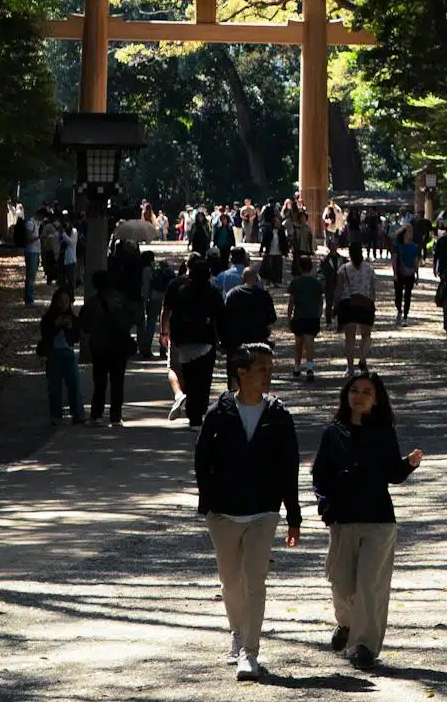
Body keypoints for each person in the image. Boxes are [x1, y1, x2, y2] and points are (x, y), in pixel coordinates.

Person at [194, 343, 301, 681]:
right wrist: (209, 503)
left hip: (263, 511)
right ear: (242, 371)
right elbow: (202, 461)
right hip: (223, 513)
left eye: (271, 367)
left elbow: (290, 467)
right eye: (262, 368)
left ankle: (249, 653)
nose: (269, 374)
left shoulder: (278, 414)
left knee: (255, 581)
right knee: (231, 581)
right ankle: (237, 632)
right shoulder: (219, 412)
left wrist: (293, 515)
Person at [312, 370, 424, 670]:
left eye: (366, 392)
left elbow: (392, 473)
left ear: (376, 400)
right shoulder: (332, 432)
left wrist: (408, 465)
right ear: (347, 395)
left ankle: (364, 646)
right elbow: (319, 476)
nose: (359, 396)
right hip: (343, 519)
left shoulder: (383, 431)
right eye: (354, 390)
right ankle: (347, 624)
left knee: (371, 586)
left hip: (379, 520)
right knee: (342, 585)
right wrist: (325, 508)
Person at [162, 254, 227, 427]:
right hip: (205, 340)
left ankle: (193, 414)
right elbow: (220, 316)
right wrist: (222, 339)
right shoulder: (212, 289)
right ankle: (199, 411)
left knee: (188, 377)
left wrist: (165, 332)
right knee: (203, 379)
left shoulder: (178, 286)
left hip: (182, 339)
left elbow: (167, 310)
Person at [78, 270, 137, 426]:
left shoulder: (92, 303)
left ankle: (97, 415)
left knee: (100, 381)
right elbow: (132, 318)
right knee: (118, 382)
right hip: (119, 345)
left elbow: (84, 326)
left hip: (100, 347)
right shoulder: (122, 299)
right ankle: (116, 416)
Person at [223, 268, 278, 389]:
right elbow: (272, 318)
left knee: (234, 375)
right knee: (257, 374)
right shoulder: (264, 296)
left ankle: (233, 400)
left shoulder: (232, 294)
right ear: (257, 279)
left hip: (236, 343)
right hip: (257, 344)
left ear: (242, 279)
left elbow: (224, 317)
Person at [38, 288, 85, 426]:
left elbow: (76, 338)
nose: (64, 304)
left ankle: (77, 414)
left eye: (66, 301)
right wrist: (56, 325)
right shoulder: (48, 318)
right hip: (53, 353)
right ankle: (56, 415)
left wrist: (69, 328)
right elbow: (45, 336)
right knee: (54, 386)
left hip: (68, 352)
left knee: (74, 383)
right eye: (61, 301)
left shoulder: (73, 318)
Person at [337, 244, 376, 372]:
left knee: (350, 338)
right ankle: (363, 359)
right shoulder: (369, 269)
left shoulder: (343, 269)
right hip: (365, 303)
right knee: (366, 335)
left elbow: (339, 289)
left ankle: (350, 367)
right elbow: (372, 290)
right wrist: (372, 304)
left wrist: (335, 305)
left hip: (348, 303)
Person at [288, 256, 324, 381]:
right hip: (312, 316)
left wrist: (289, 316)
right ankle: (310, 368)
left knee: (298, 343)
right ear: (311, 267)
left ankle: (297, 366)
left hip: (299, 316)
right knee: (310, 342)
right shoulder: (316, 283)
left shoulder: (295, 282)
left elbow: (291, 301)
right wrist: (319, 314)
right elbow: (320, 301)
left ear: (299, 267)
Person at [391, 225, 419, 321]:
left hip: (410, 274)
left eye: (411, 231)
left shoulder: (415, 247)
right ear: (403, 233)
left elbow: (416, 261)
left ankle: (405, 316)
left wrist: (417, 274)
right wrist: (394, 273)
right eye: (408, 231)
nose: (410, 233)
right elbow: (394, 260)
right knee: (398, 295)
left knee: (408, 295)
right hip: (399, 273)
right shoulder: (397, 246)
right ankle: (399, 310)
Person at [21, 207, 40, 306]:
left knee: (32, 276)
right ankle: (28, 299)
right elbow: (28, 238)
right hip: (31, 251)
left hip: (35, 252)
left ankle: (30, 297)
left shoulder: (36, 224)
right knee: (30, 276)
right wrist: (39, 237)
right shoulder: (30, 223)